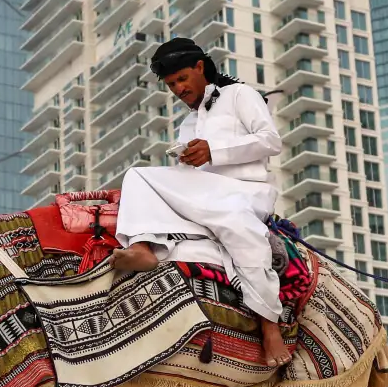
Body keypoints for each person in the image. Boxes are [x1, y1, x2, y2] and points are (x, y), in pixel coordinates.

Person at [112, 37, 289, 366]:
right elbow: (189, 169)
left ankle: (269, 325)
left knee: (238, 228)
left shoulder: (240, 95)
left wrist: (214, 151)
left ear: (200, 67)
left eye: (181, 79)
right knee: (137, 175)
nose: (178, 89)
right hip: (204, 190)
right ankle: (143, 246)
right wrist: (188, 159)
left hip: (244, 192)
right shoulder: (188, 124)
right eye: (171, 84)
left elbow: (270, 141)